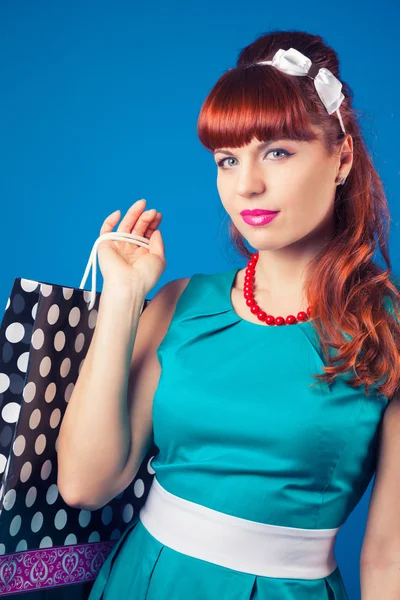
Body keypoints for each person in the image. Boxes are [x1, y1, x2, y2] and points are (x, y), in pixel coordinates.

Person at [57, 29, 400, 600]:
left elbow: (389, 556)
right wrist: (122, 298)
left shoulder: (386, 333)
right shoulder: (180, 304)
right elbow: (85, 485)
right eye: (227, 159)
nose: (248, 185)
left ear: (341, 157)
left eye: (278, 152)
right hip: (141, 581)